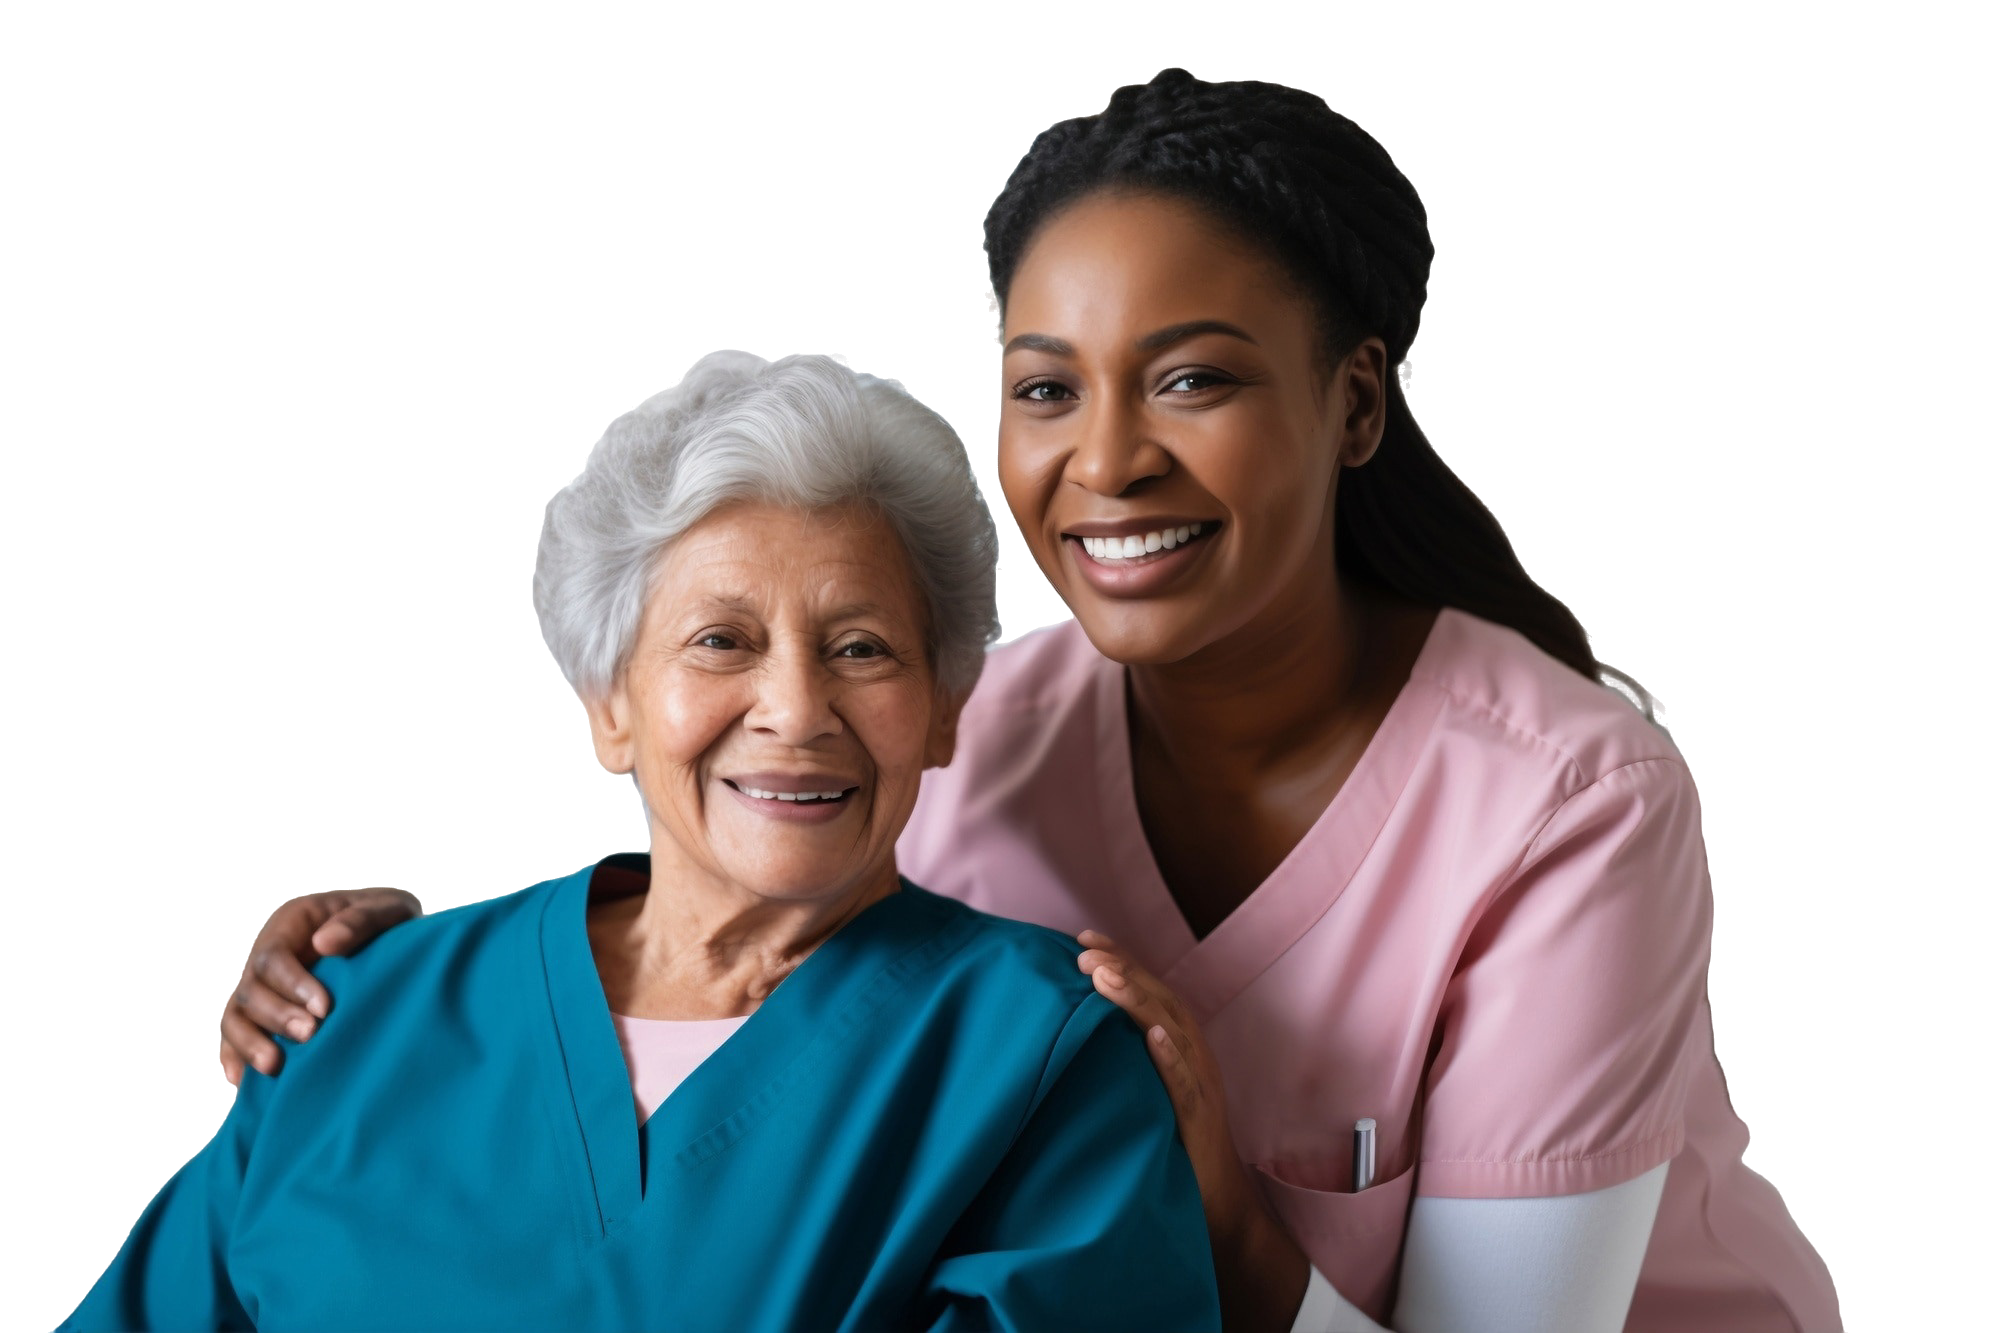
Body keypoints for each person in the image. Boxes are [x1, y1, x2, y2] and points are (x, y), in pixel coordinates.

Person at [213, 74, 1835, 1332]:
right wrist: (413, 1000)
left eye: (1193, 377)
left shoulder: (1560, 803)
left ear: (1353, 401)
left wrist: (1225, 1206)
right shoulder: (952, 720)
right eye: (1047, 387)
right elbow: (716, 868)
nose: (1108, 457)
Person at [60, 354, 1221, 1333]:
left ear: (944, 709)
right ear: (607, 705)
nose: (795, 709)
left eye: (862, 648)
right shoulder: (345, 1016)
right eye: (721, 640)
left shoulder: (1040, 1060)